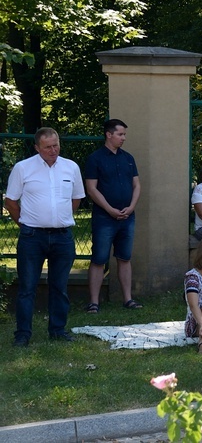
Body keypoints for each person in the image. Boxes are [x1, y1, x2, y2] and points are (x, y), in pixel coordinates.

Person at [6, 128, 85, 347]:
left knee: (59, 286)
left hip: (62, 236)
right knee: (27, 287)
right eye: (48, 147)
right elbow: (11, 202)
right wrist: (25, 224)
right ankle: (22, 334)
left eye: (56, 145)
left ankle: (58, 330)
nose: (53, 150)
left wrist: (59, 217)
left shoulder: (71, 167)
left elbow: (76, 199)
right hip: (32, 236)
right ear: (37, 148)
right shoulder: (23, 168)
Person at [84, 119, 142, 313]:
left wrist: (131, 207)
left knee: (124, 257)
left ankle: (128, 299)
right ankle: (94, 302)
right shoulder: (95, 158)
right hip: (104, 218)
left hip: (127, 217)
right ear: (109, 134)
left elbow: (136, 185)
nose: (123, 138)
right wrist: (109, 209)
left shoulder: (128, 158)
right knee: (99, 258)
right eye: (120, 134)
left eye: (124, 134)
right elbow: (91, 189)